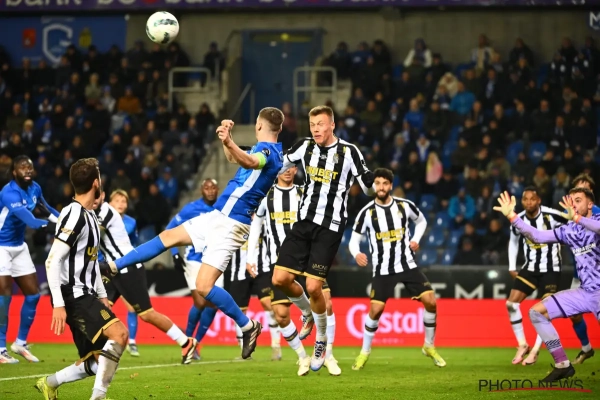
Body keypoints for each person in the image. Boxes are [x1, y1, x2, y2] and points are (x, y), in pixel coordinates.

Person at [102, 108, 285, 359]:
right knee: (168, 237)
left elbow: (252, 162)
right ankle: (113, 266)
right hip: (218, 216)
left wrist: (229, 142)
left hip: (232, 223)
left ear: (259, 125)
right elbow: (237, 159)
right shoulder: (259, 150)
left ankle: (247, 326)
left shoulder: (269, 152)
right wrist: (226, 139)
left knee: (203, 287)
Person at [272, 105, 374, 372]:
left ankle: (321, 340)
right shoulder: (304, 147)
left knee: (314, 287)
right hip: (303, 223)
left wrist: (371, 182)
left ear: (332, 125)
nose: (316, 129)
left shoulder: (349, 152)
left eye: (320, 124)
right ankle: (307, 312)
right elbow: (279, 165)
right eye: (312, 124)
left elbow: (367, 187)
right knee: (279, 279)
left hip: (330, 228)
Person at [35, 158, 129, 400]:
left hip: (86, 294)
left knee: (97, 362)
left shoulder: (89, 215)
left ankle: (49, 383)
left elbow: (91, 261)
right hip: (73, 295)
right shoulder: (74, 214)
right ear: (96, 183)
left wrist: (102, 296)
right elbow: (52, 260)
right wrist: (58, 304)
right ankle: (98, 397)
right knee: (120, 334)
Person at [494, 189, 600, 382]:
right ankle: (562, 365)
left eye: (578, 200)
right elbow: (537, 236)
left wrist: (577, 218)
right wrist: (512, 216)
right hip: (585, 293)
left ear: (590, 204)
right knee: (537, 313)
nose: (574, 205)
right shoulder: (569, 230)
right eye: (572, 201)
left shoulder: (596, 220)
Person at [247, 166, 341, 376]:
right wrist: (250, 257)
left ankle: (328, 355)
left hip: (308, 257)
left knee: (327, 302)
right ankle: (302, 356)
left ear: (296, 169)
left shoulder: (305, 193)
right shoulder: (266, 196)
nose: (287, 171)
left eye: (291, 167)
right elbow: (256, 226)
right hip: (280, 260)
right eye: (283, 168)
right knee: (281, 315)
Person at [348, 168, 445, 370]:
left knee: (431, 301)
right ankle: (364, 352)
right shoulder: (367, 213)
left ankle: (429, 346)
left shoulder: (404, 206)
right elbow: (353, 240)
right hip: (383, 269)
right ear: (374, 186)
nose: (381, 187)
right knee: (376, 310)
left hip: (407, 264)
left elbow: (421, 221)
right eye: (378, 183)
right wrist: (356, 253)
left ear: (391, 185)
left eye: (385, 183)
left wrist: (416, 239)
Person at [97, 188, 197, 364]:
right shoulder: (98, 213)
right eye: (117, 200)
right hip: (113, 270)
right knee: (99, 308)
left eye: (123, 201)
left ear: (103, 197)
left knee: (147, 314)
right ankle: (100, 350)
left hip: (128, 268)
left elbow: (92, 233)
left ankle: (185, 342)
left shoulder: (106, 212)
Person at [0, 155, 59, 364]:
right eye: (22, 167)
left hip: (19, 246)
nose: (27, 170)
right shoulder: (9, 193)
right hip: (1, 247)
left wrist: (66, 221)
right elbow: (31, 220)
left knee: (33, 295)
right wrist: (57, 227)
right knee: (4, 297)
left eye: (30, 167)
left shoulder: (35, 188)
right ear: (14, 172)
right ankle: (0, 348)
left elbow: (45, 209)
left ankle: (20, 343)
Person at [506, 187, 568, 365]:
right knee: (511, 304)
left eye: (532, 199)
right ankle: (522, 344)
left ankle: (535, 350)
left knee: (545, 311)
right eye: (525, 199)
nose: (528, 202)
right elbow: (513, 241)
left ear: (539, 200)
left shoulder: (552, 215)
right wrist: (512, 266)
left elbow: (570, 227)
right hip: (530, 267)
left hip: (551, 268)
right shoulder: (518, 218)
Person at [166, 178, 219, 360]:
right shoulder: (191, 209)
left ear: (218, 190)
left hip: (215, 260)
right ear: (201, 190)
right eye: (207, 188)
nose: (210, 191)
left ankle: (195, 343)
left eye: (213, 187)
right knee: (200, 302)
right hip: (194, 260)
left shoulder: (223, 207)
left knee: (213, 304)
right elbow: (170, 228)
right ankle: (187, 341)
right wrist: (174, 253)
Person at [228, 230, 281, 360]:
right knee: (239, 311)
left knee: (268, 303)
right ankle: (244, 351)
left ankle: (276, 346)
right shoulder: (233, 222)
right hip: (239, 272)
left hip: (262, 269)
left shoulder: (262, 221)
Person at [102, 189, 141, 357]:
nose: (120, 204)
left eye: (123, 201)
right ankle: (104, 339)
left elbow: (134, 243)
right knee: (103, 306)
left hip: (124, 268)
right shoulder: (103, 218)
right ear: (110, 203)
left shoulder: (131, 222)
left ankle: (131, 342)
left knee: (132, 307)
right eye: (117, 200)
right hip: (106, 267)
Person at [566, 173, 597, 364]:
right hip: (580, 275)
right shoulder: (571, 215)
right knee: (573, 312)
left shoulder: (597, 214)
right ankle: (586, 348)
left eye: (584, 190)